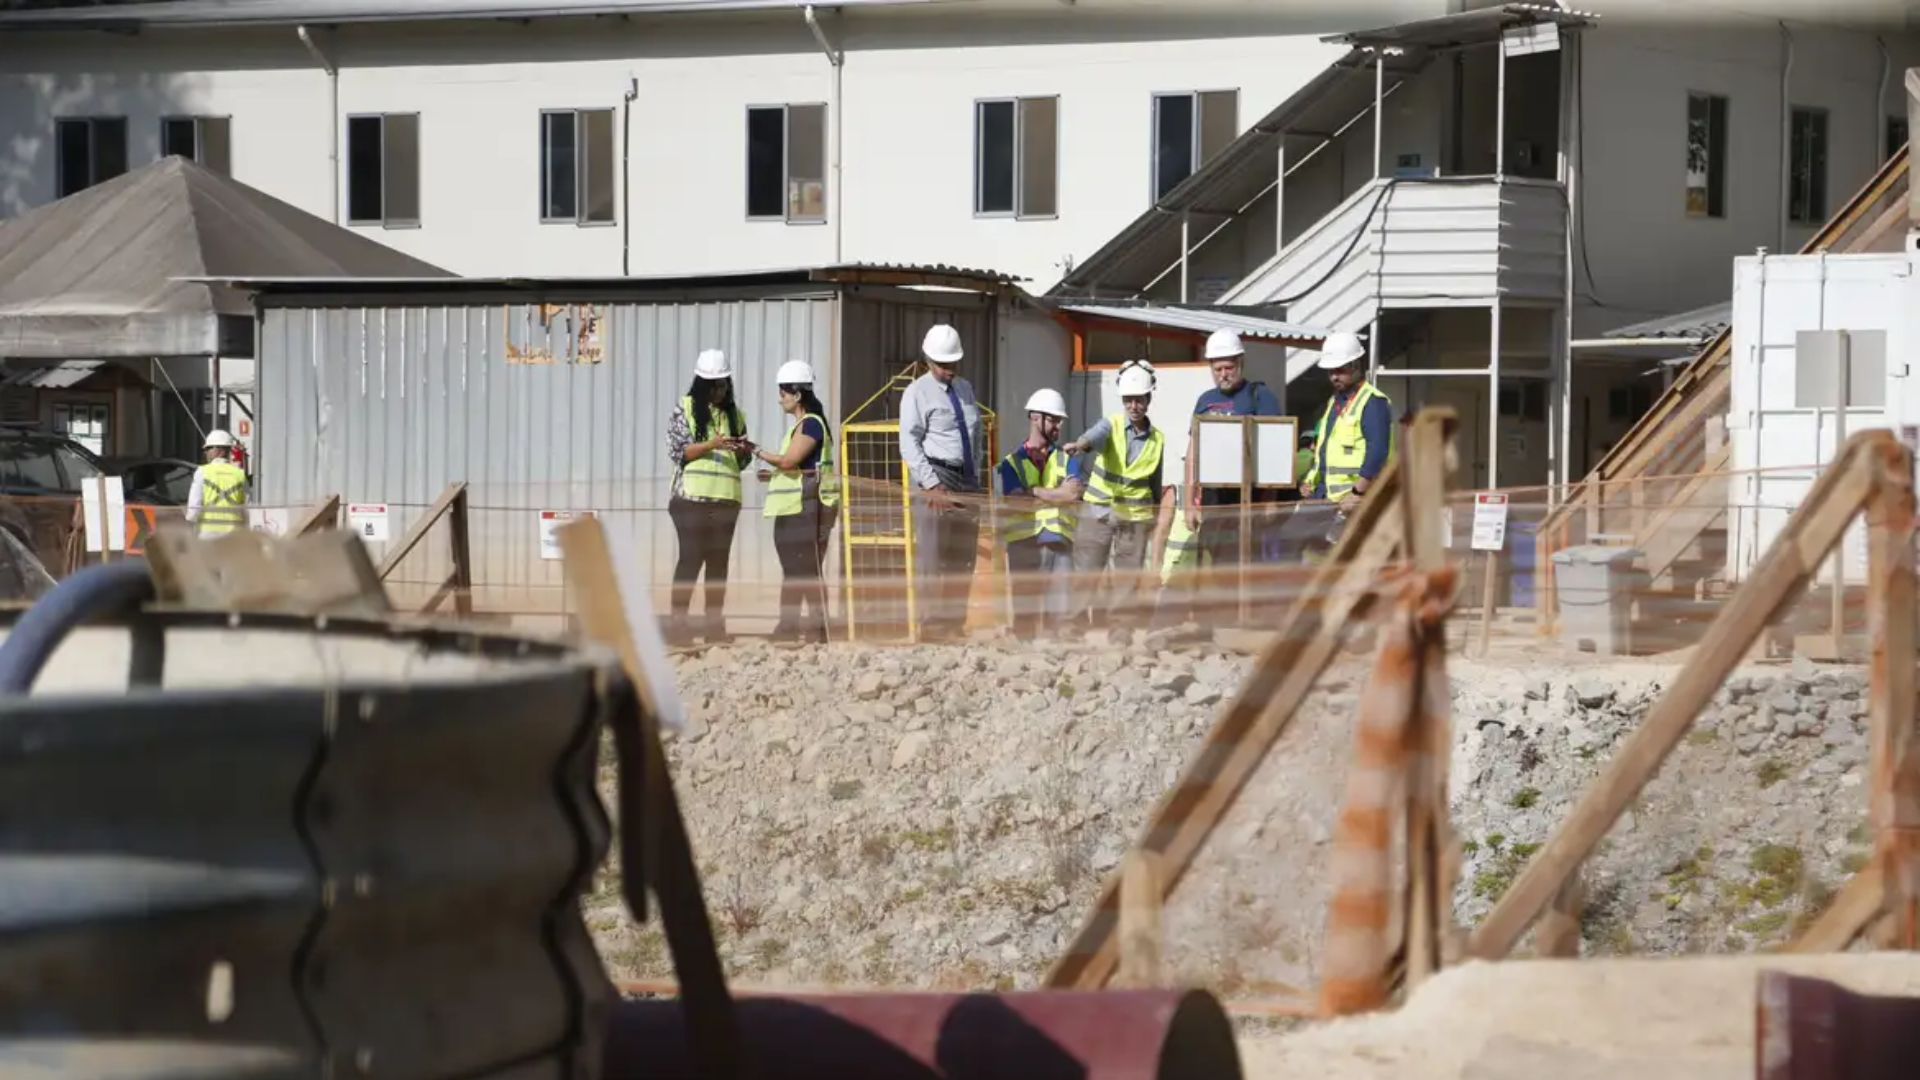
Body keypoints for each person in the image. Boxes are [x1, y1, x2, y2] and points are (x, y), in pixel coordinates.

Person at [1062, 359, 1173, 630]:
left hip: (1134, 517)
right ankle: (1073, 624)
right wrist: (1081, 444)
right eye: (1129, 400)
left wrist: (1156, 514)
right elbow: (1094, 436)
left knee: (1127, 577)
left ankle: (1119, 628)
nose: (1134, 406)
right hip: (1098, 510)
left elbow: (1154, 482)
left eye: (1139, 400)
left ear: (1148, 398)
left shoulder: (1157, 439)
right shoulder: (1110, 425)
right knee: (1086, 571)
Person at [898, 324, 985, 641]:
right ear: (928, 360)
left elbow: (975, 434)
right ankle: (932, 626)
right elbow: (909, 443)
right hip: (937, 475)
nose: (948, 370)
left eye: (952, 363)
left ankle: (954, 623)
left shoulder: (965, 389)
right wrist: (931, 484)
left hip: (966, 479)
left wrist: (975, 473)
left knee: (962, 556)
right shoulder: (917, 393)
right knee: (934, 557)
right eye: (942, 364)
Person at [665, 348, 752, 646]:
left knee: (718, 564)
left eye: (723, 384)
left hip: (726, 500)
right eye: (713, 384)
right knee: (690, 560)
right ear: (701, 384)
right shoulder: (685, 408)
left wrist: (743, 451)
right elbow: (679, 451)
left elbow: (742, 462)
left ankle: (714, 626)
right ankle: (678, 625)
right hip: (691, 500)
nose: (719, 390)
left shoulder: (735, 415)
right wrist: (711, 444)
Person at [1285, 330, 1395, 561]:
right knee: (1291, 539)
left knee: (1343, 555)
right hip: (1325, 494)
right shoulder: (1335, 402)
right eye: (1331, 371)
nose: (1334, 376)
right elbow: (1324, 450)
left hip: (1351, 498)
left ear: (1355, 364)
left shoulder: (1373, 402)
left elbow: (1378, 451)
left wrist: (1358, 492)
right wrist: (1310, 481)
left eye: (1340, 370)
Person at [754, 359, 839, 644]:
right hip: (799, 508)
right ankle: (801, 629)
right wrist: (773, 473)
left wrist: (757, 450)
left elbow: (790, 461)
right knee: (798, 571)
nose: (780, 401)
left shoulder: (811, 425)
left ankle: (802, 629)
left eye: (783, 394)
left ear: (797, 394)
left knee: (802, 571)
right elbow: (796, 467)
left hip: (807, 509)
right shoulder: (805, 426)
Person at [1184, 328, 1284, 567]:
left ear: (1241, 363)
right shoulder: (1205, 401)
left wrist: (1270, 499)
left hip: (1249, 498)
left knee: (1249, 563)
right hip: (1215, 498)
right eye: (1217, 369)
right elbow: (1192, 453)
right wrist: (1189, 503)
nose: (1223, 375)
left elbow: (1275, 449)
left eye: (1228, 368)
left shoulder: (1260, 397)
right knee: (1218, 562)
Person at [995, 388, 1082, 638]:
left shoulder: (1066, 459)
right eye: (1053, 419)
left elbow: (1072, 494)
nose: (1058, 426)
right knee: (1025, 613)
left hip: (1058, 541)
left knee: (1059, 614)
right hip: (1023, 544)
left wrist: (1032, 491)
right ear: (1035, 417)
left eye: (1059, 420)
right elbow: (1015, 501)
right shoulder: (1010, 463)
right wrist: (1054, 493)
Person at [185, 429, 248, 536]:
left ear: (218, 450)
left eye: (208, 448)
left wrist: (189, 526)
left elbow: (194, 507)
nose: (206, 452)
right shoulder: (239, 473)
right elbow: (246, 507)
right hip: (233, 534)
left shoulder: (202, 472)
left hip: (208, 533)